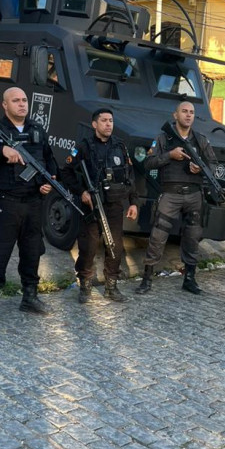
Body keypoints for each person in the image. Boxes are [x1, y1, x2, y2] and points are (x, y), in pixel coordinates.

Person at [0, 87, 58, 320]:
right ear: (5, 105)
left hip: (33, 203)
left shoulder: (37, 129)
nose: (22, 104)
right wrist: (1, 150)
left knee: (32, 251)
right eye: (16, 100)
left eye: (24, 100)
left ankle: (29, 296)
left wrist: (48, 182)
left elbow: (50, 160)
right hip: (6, 203)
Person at [136, 100, 219, 295]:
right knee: (158, 236)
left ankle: (189, 279)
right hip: (170, 193)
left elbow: (214, 165)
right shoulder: (163, 138)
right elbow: (148, 163)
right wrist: (170, 155)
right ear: (175, 115)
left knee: (192, 237)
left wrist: (201, 169)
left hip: (194, 194)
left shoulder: (200, 140)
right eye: (184, 111)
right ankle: (147, 279)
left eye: (191, 112)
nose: (188, 115)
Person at [61, 108, 139, 303]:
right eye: (104, 120)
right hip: (91, 205)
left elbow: (129, 176)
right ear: (94, 124)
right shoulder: (84, 146)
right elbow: (66, 172)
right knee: (88, 246)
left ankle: (111, 286)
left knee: (115, 246)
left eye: (110, 120)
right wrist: (81, 192)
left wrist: (133, 202)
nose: (108, 124)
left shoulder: (120, 146)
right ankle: (85, 285)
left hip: (114, 204)